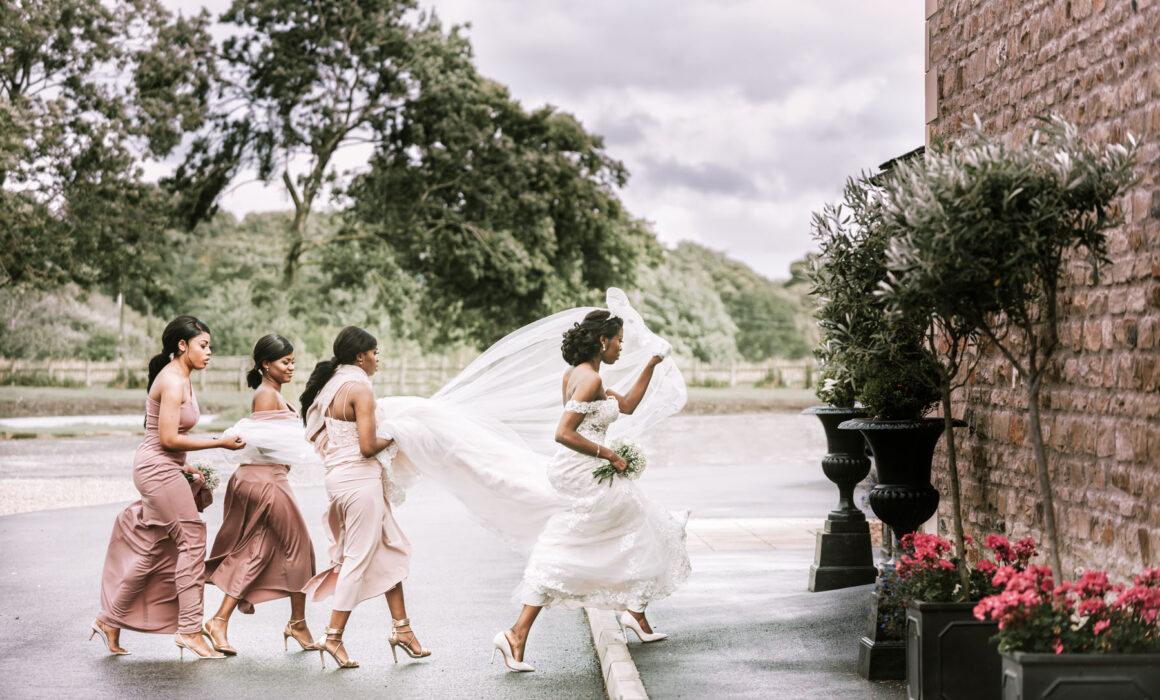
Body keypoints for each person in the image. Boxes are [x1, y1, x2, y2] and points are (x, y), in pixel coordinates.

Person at [491, 309, 691, 671]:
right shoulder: (588, 381)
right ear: (603, 340)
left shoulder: (581, 376)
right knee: (631, 529)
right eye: (619, 341)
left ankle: (633, 615)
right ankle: (519, 633)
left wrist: (653, 363)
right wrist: (610, 454)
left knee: (635, 527)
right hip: (584, 469)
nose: (620, 348)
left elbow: (626, 406)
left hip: (582, 468)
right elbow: (564, 433)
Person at [91, 315, 246, 659]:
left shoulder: (183, 378)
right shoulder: (173, 381)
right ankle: (190, 630)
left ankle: (109, 620)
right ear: (182, 345)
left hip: (165, 467)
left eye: (210, 346)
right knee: (192, 539)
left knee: (156, 548)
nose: (210, 352)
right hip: (156, 469)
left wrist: (188, 467)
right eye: (203, 345)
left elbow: (166, 438)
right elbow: (167, 438)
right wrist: (219, 442)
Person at [299, 326, 429, 670]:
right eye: (375, 354)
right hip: (360, 482)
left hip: (339, 481)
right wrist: (399, 434)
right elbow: (369, 446)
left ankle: (403, 630)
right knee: (357, 561)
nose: (377, 360)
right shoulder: (360, 388)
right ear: (361, 356)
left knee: (389, 549)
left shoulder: (331, 386)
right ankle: (333, 636)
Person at [202, 333, 317, 655]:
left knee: (258, 551)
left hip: (266, 477)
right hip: (265, 480)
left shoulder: (273, 394)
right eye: (285, 362)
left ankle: (219, 621)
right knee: (300, 548)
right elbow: (264, 441)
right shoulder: (266, 395)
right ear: (266, 364)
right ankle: (297, 623)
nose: (291, 367)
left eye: (293, 361)